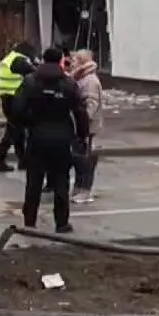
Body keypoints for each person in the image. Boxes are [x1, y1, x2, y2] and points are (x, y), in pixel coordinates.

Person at [12, 46, 90, 234]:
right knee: (61, 182)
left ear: (43, 60)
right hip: (62, 139)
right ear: (61, 61)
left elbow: (17, 110)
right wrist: (81, 136)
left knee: (34, 182)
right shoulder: (68, 84)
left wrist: (28, 125)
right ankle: (61, 223)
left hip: (37, 137)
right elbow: (80, 113)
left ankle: (30, 222)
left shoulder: (30, 82)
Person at [0, 41, 37, 172]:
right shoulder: (20, 60)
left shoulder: (9, 57)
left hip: (7, 97)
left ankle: (22, 160)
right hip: (16, 98)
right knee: (13, 131)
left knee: (17, 130)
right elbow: (33, 72)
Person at [69, 49, 104, 203]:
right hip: (80, 127)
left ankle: (85, 190)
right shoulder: (79, 78)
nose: (72, 63)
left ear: (82, 62)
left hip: (87, 128)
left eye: (75, 60)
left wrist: (82, 120)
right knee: (78, 158)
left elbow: (91, 104)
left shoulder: (90, 81)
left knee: (86, 159)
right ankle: (78, 187)